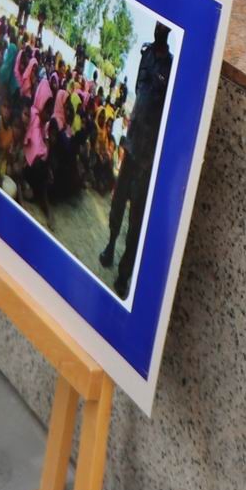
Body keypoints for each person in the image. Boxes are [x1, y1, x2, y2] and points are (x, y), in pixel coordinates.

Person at [98, 20, 174, 297]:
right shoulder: (145, 54)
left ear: (169, 32)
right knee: (117, 205)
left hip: (148, 156)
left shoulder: (172, 66)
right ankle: (110, 245)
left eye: (164, 27)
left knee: (137, 220)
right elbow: (141, 95)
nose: (159, 29)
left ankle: (124, 274)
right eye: (157, 25)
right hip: (131, 148)